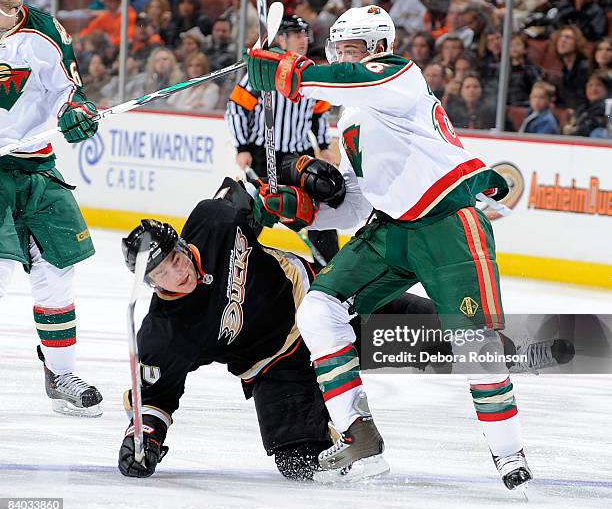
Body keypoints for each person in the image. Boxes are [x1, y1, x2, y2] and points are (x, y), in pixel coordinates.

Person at [243, 4, 532, 490]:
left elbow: (347, 78)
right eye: (337, 48)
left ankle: (509, 454)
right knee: (318, 309)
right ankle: (359, 435)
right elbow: (357, 204)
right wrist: (300, 209)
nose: (342, 57)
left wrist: (287, 71)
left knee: (477, 347)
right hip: (391, 230)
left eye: (352, 49)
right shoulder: (351, 116)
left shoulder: (399, 77)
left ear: (379, 47)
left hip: (448, 221)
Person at [117, 174, 443, 479]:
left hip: (323, 309)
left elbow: (257, 195)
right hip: (276, 367)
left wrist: (293, 186)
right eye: (161, 273)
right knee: (299, 461)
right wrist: (144, 440)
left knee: (462, 343)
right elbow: (154, 398)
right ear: (148, 282)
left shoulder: (213, 221)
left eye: (175, 258)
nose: (178, 273)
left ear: (180, 244)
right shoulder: (164, 333)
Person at [0, 0, 103, 416]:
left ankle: (61, 373)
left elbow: (67, 90)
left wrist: (75, 110)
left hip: (37, 168)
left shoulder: (45, 30)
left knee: (58, 269)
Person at [225, 15, 339, 266]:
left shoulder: (311, 71)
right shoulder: (264, 71)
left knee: (316, 212)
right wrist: (242, 146)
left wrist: (324, 145)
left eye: (304, 35)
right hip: (263, 154)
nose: (302, 40)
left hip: (300, 156)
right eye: (296, 35)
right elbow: (236, 108)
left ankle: (329, 270)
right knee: (256, 210)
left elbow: (318, 113)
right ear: (281, 39)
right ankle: (236, 264)